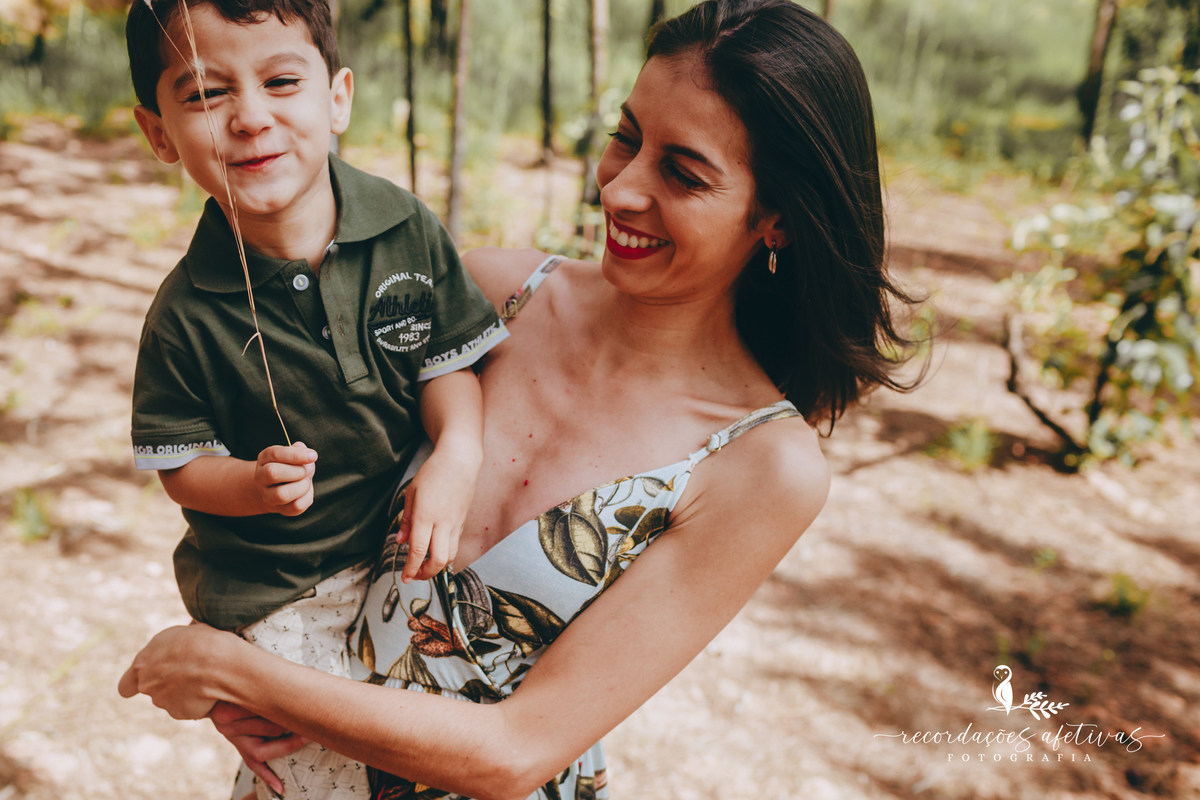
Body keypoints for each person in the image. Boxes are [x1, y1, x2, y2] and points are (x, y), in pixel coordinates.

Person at [119, 1, 923, 798]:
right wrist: (253, 662)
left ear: (777, 216)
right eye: (625, 138)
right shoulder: (492, 294)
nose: (618, 190)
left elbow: (513, 753)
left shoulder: (762, 466)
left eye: (682, 172)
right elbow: (289, 489)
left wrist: (233, 672)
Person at [124, 0, 506, 795]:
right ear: (158, 133)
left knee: (429, 744)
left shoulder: (403, 227)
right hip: (277, 587)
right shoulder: (185, 314)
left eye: (281, 80)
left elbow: (446, 366)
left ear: (336, 97)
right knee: (315, 763)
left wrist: (457, 453)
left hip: (397, 549)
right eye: (204, 94)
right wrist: (250, 483)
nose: (251, 118)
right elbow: (181, 465)